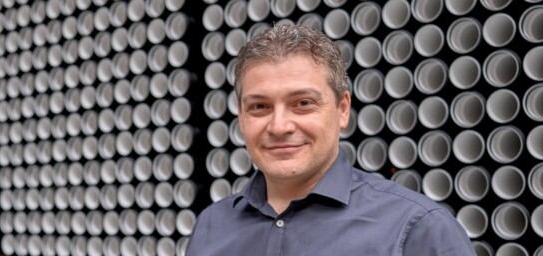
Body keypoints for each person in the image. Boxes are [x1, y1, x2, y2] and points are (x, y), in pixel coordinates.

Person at [185, 24, 475, 256]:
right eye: (259, 106)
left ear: (343, 109)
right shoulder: (211, 226)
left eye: (303, 103)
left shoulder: (417, 229)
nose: (279, 126)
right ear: (241, 117)